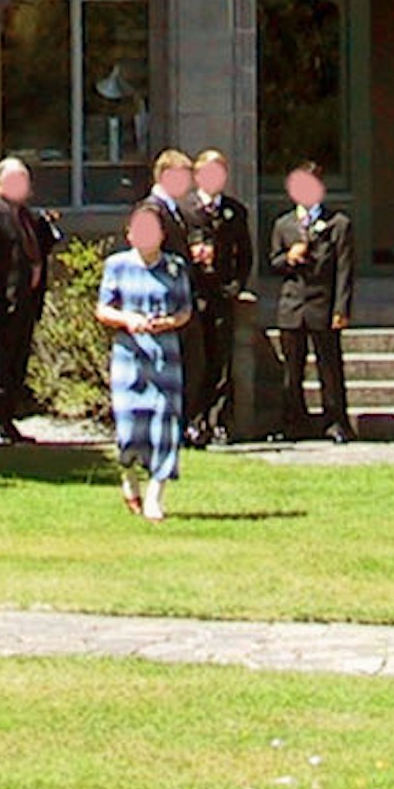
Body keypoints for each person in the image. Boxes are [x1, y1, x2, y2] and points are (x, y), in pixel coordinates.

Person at [96, 196, 193, 520]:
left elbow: (185, 310)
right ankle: (128, 479)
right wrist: (128, 320)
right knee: (128, 426)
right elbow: (103, 309)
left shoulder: (175, 267)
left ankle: (155, 495)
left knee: (164, 425)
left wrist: (169, 322)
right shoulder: (117, 265)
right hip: (129, 356)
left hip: (165, 356)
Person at [0, 155, 58, 447]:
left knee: (17, 366)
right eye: (15, 180)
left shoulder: (26, 215)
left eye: (25, 180)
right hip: (1, 303)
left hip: (25, 302)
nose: (21, 186)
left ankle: (8, 421)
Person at [266, 160, 354, 443]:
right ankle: (293, 421)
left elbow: (344, 271)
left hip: (323, 304)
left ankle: (336, 421)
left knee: (329, 367)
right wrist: (289, 258)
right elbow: (274, 262)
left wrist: (341, 308)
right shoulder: (284, 224)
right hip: (292, 306)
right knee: (292, 368)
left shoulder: (338, 224)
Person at [179, 148, 251, 445]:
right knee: (196, 360)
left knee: (221, 361)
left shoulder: (235, 211)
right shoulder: (185, 210)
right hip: (194, 295)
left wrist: (235, 286)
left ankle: (218, 421)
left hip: (221, 295)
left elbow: (245, 254)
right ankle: (193, 421)